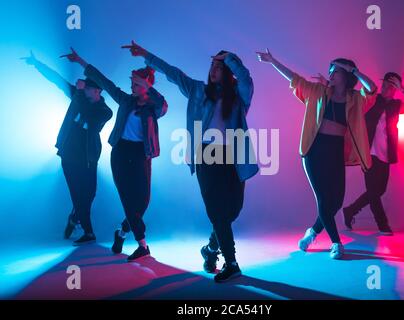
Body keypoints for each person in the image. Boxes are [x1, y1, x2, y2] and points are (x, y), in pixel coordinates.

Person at [122, 41, 258, 282]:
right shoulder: (198, 90)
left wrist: (229, 59)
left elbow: (246, 79)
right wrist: (146, 54)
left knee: (233, 210)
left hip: (233, 157)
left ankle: (210, 249)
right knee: (217, 211)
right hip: (206, 155)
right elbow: (173, 72)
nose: (214, 70)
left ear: (227, 70)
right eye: (212, 65)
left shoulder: (239, 96)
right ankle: (232, 262)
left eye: (219, 66)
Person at [256, 49, 377, 259]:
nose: (330, 74)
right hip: (314, 150)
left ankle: (312, 232)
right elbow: (295, 79)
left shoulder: (355, 99)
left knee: (337, 200)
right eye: (330, 70)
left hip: (336, 150)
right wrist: (272, 60)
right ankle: (336, 243)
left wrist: (355, 71)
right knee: (323, 198)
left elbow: (372, 89)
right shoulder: (318, 91)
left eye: (336, 71)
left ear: (346, 75)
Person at [61, 47, 168, 261]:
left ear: (146, 86)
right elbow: (105, 82)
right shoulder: (126, 100)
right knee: (128, 200)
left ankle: (121, 233)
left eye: (136, 84)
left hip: (141, 155)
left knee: (143, 202)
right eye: (132, 83)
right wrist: (81, 61)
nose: (132, 86)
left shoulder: (153, 108)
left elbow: (163, 105)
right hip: (120, 153)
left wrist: (147, 83)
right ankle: (143, 245)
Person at [22, 50, 113, 245]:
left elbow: (90, 120)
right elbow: (57, 80)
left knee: (89, 193)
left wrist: (79, 95)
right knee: (77, 193)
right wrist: (38, 65)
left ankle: (74, 218)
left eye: (87, 88)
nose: (83, 88)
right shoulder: (79, 96)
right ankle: (89, 232)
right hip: (69, 154)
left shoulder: (105, 111)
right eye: (83, 87)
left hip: (89, 157)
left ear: (97, 91)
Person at [343, 72, 404, 235]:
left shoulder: (395, 105)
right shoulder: (372, 100)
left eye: (390, 85)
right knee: (373, 190)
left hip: (385, 153)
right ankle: (382, 224)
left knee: (379, 191)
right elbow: (354, 100)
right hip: (368, 152)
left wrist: (403, 89)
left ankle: (350, 210)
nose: (385, 87)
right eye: (384, 84)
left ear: (394, 89)